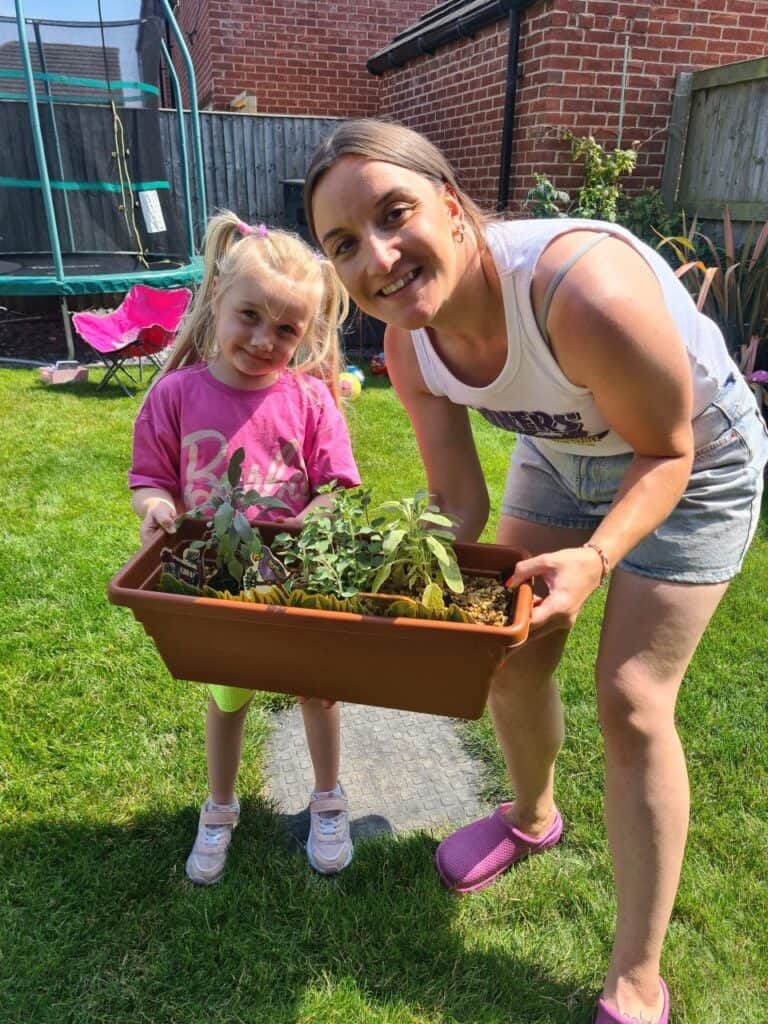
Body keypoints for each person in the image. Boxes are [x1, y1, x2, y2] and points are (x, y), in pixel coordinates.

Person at [305, 120, 768, 1024]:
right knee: (508, 648)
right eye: (344, 244)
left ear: (452, 201)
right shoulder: (411, 347)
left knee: (632, 697)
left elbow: (666, 452)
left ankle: (638, 976)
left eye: (396, 214)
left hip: (694, 457)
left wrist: (597, 558)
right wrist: (376, 584)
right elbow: (457, 505)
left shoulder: (577, 291)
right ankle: (530, 818)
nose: (380, 257)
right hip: (561, 454)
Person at [129, 212, 361, 884]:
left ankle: (327, 799)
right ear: (216, 303)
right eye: (250, 317)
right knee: (227, 698)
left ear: (306, 333)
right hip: (218, 583)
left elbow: (339, 488)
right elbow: (148, 477)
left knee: (320, 692)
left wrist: (307, 524)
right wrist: (157, 507)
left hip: (297, 578)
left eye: (286, 329)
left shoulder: (312, 401)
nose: (264, 340)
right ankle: (220, 807)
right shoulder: (174, 396)